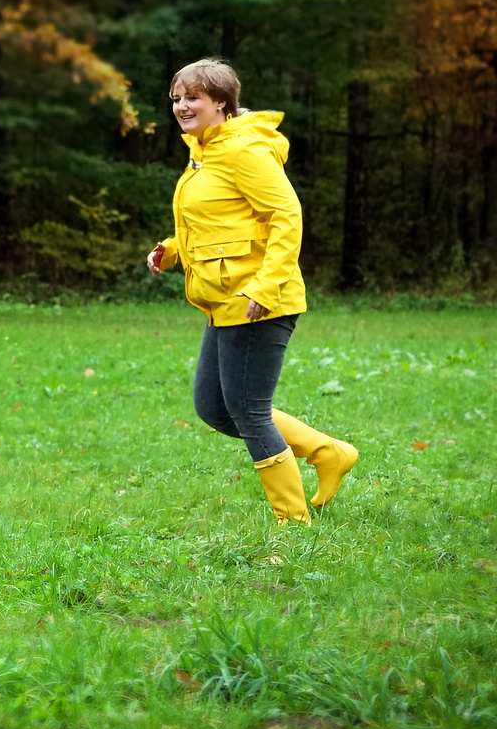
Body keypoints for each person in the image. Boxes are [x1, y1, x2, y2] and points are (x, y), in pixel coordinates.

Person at [144, 60, 358, 524]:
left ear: (221, 102)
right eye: (177, 98)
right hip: (224, 299)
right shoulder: (204, 151)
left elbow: (287, 216)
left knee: (248, 409)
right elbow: (221, 221)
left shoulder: (244, 151)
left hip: (260, 299)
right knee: (214, 407)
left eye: (192, 97)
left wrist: (267, 282)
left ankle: (293, 520)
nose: (182, 106)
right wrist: (174, 249)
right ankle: (327, 452)